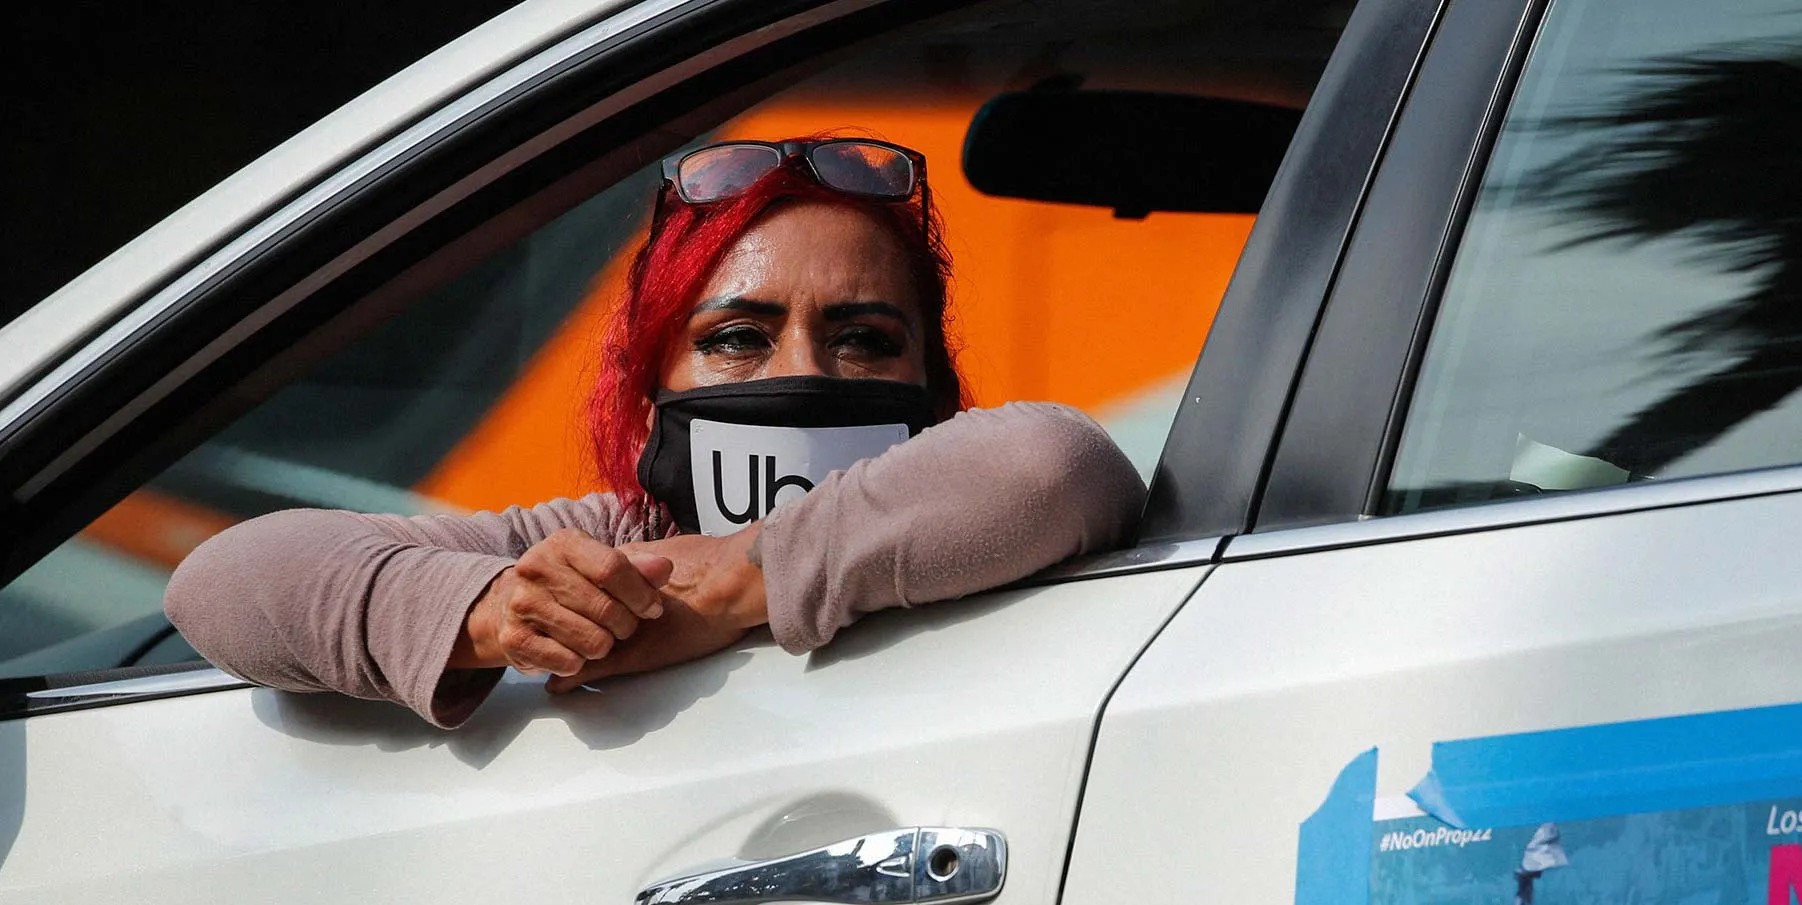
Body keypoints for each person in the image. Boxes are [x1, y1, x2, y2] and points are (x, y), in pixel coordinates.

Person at [164, 136, 1146, 727]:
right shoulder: (608, 548)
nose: (803, 370)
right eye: (737, 337)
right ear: (649, 390)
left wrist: (733, 585)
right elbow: (224, 582)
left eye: (862, 338)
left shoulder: (992, 518)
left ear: (931, 386)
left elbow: (1055, 465)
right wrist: (498, 613)